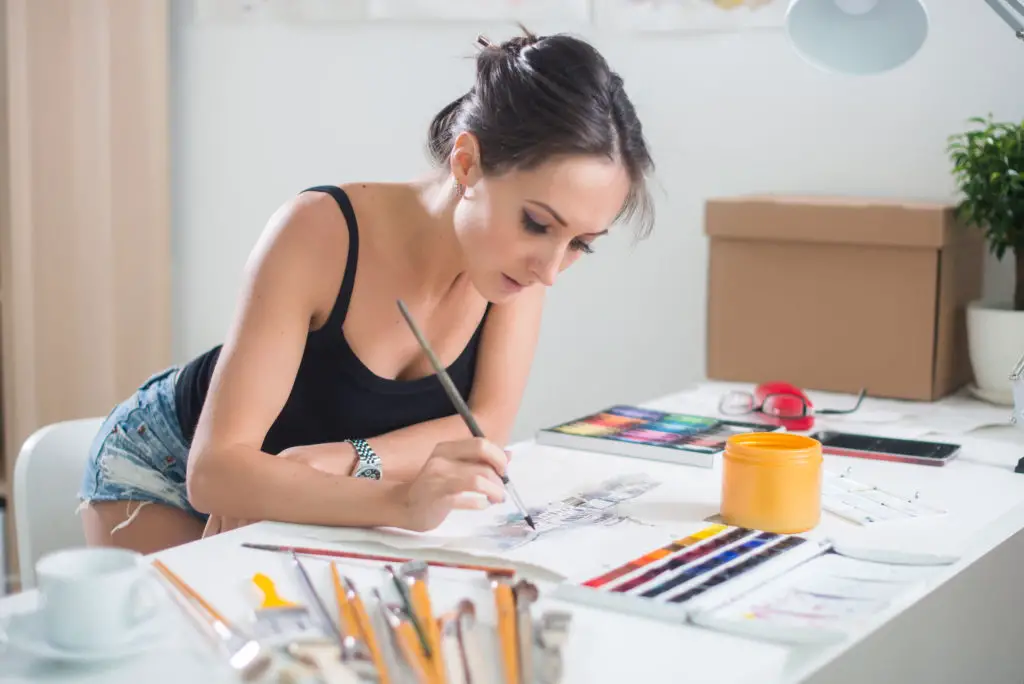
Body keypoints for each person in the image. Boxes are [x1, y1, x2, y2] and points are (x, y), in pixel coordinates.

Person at [78, 28, 655, 555]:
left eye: (583, 242)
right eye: (537, 222)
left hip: (308, 493)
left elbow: (482, 429)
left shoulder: (518, 269)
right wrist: (399, 502)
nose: (551, 270)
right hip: (166, 468)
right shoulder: (318, 231)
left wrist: (342, 460)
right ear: (468, 163)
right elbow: (218, 471)